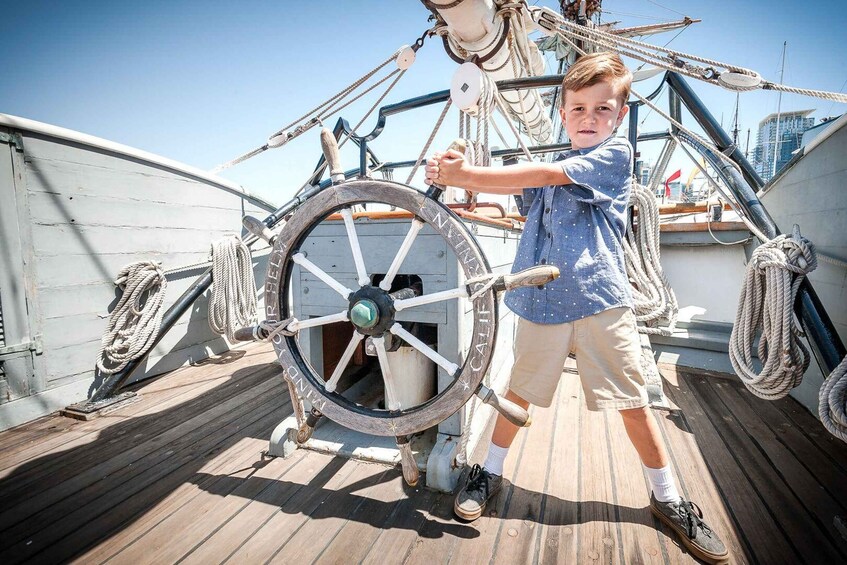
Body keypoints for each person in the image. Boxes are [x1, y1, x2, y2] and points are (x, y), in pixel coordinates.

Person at [424, 52, 728, 564]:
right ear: (563, 114)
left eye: (602, 109)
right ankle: (489, 473)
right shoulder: (559, 168)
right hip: (542, 299)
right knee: (517, 395)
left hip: (600, 301)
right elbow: (522, 198)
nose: (590, 119)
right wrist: (460, 183)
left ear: (621, 113)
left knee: (633, 400)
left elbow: (543, 174)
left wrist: (470, 174)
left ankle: (669, 499)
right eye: (579, 109)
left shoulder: (614, 158)